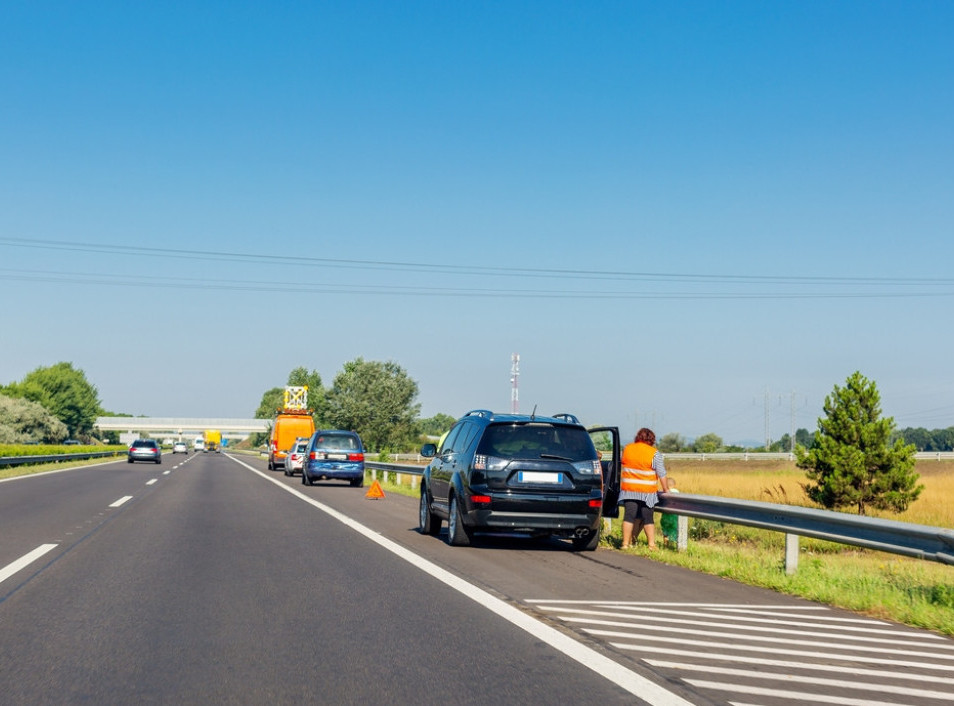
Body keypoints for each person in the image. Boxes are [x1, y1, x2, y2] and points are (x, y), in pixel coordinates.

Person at [619, 427, 670, 550]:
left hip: (629, 490)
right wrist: (666, 489)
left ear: (638, 437)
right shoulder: (654, 453)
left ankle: (625, 544)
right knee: (648, 518)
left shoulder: (627, 449)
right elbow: (661, 473)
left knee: (629, 517)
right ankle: (651, 545)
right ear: (652, 439)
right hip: (647, 492)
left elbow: (622, 463)